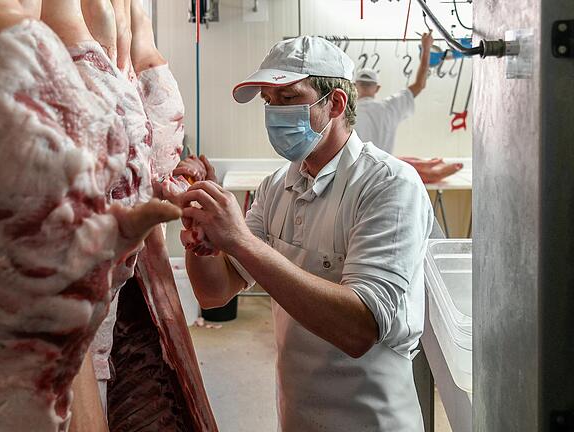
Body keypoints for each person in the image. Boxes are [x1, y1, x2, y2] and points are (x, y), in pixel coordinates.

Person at [178, 36, 433, 431]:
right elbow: (215, 293)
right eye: (268, 102)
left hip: (372, 420)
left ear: (334, 104)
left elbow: (359, 328)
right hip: (297, 418)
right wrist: (203, 237)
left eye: (288, 98)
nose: (274, 113)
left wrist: (241, 241)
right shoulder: (277, 186)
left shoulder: (389, 185)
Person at [353, 31, 433, 154]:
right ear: (377, 88)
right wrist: (426, 49)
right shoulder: (390, 108)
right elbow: (419, 85)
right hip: (385, 171)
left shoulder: (344, 113)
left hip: (355, 172)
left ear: (354, 87)